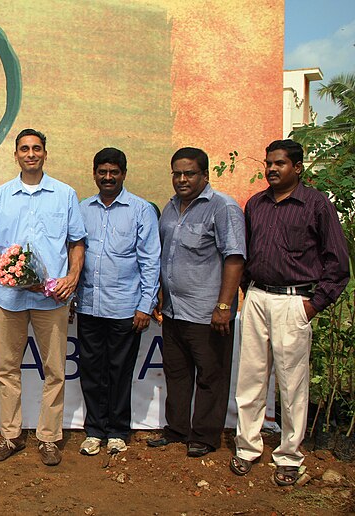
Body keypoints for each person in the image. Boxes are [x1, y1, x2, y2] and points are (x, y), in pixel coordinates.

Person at [231, 139, 349, 485]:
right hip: (256, 298)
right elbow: (248, 254)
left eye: (280, 163)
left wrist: (313, 305)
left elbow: (338, 264)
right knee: (250, 377)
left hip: (294, 302)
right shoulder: (256, 204)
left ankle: (288, 455)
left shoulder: (316, 205)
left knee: (292, 383)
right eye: (268, 163)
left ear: (298, 167)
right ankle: (247, 447)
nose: (271, 169)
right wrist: (247, 292)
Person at [0, 128, 86, 466]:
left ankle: (49, 438)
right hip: (9, 299)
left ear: (44, 153)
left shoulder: (65, 195)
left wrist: (72, 278)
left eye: (36, 148)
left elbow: (76, 242)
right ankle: (11, 436)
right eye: (24, 149)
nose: (30, 154)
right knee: (6, 368)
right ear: (16, 155)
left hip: (51, 299)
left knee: (55, 369)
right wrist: (9, 271)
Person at [148, 147, 246, 457]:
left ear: (205, 174)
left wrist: (223, 306)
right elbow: (165, 256)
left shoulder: (223, 207)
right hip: (174, 311)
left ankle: (204, 436)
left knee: (210, 375)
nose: (181, 179)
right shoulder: (171, 207)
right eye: (176, 173)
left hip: (207, 312)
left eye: (189, 173)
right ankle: (177, 429)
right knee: (177, 374)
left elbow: (234, 257)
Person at [76, 148, 160, 456]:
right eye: (102, 172)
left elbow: (151, 260)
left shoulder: (140, 210)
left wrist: (145, 304)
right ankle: (94, 430)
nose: (108, 177)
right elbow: (74, 256)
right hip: (89, 305)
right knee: (91, 370)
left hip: (126, 308)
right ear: (94, 173)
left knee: (119, 370)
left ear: (123, 174)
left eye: (114, 172)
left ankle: (117, 430)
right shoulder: (82, 209)